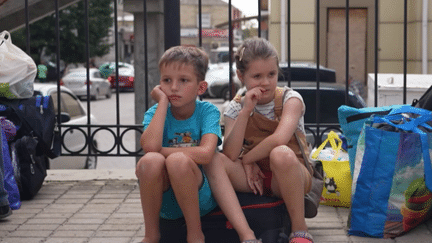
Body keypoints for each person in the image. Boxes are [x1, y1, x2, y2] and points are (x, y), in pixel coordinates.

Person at [204, 37, 314, 243]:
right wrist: (246, 111)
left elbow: (279, 139)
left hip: (291, 175)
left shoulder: (291, 99)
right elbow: (230, 153)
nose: (265, 82)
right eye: (257, 76)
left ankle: (300, 230)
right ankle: (247, 235)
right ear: (240, 76)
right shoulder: (236, 108)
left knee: (280, 153)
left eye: (271, 74)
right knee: (214, 160)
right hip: (258, 179)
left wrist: (247, 160)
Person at [136, 45, 222, 243]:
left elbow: (206, 153)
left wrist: (163, 151)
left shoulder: (207, 111)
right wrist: (162, 103)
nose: (173, 87)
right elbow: (149, 148)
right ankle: (151, 235)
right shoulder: (155, 113)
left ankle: (195, 234)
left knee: (177, 161)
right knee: (149, 161)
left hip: (199, 197)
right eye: (167, 81)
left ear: (201, 87)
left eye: (183, 80)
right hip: (164, 201)